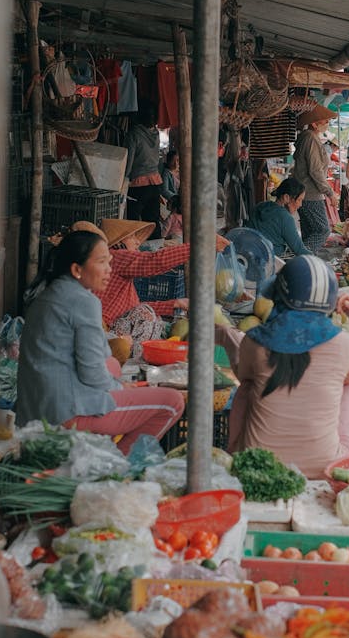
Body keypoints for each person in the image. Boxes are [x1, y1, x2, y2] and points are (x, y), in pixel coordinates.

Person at [16, 229, 184, 453]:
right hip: (65, 414)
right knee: (172, 403)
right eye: (102, 262)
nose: (109, 270)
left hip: (33, 409)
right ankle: (117, 464)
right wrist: (119, 388)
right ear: (77, 269)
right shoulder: (84, 302)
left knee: (113, 365)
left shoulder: (47, 295)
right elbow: (92, 373)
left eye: (110, 262)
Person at [221, 255, 349, 478]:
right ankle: (345, 463)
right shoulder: (347, 345)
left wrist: (226, 336)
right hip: (328, 467)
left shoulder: (254, 341)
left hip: (257, 465)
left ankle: (234, 451)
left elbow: (243, 375)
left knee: (247, 387)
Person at [98, 218, 228, 357]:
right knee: (145, 313)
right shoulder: (116, 257)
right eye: (132, 237)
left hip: (110, 331)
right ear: (118, 243)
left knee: (148, 313)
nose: (137, 242)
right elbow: (155, 261)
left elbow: (130, 308)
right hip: (105, 333)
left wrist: (175, 303)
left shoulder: (116, 265)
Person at [291, 103, 337, 251]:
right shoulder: (310, 138)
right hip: (311, 194)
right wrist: (330, 192)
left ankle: (306, 265)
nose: (327, 124)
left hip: (305, 193)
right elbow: (315, 171)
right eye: (325, 121)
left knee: (310, 232)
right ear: (314, 123)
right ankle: (302, 256)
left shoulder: (309, 137)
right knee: (323, 231)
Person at [125, 101, 163, 237]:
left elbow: (128, 160)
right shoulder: (156, 133)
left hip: (138, 183)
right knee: (152, 221)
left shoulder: (134, 134)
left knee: (133, 222)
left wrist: (125, 178)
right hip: (155, 182)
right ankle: (156, 251)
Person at [246, 178, 311, 257]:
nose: (300, 205)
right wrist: (320, 262)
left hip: (248, 253)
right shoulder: (285, 218)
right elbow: (299, 250)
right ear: (286, 197)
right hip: (269, 261)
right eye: (299, 200)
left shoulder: (260, 206)